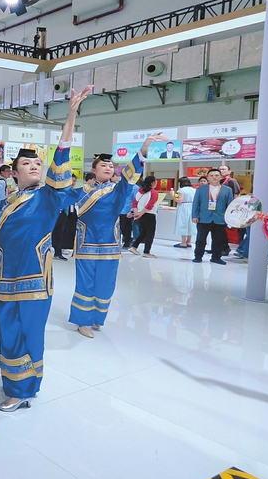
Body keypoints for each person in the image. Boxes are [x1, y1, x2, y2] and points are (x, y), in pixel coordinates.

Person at [0, 85, 90, 412]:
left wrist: (71, 114)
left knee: (31, 336)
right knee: (9, 336)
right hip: (4, 281)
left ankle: (25, 389)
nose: (35, 166)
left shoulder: (48, 196)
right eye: (27, 163)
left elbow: (61, 157)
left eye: (38, 162)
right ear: (14, 172)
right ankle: (15, 385)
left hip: (36, 281)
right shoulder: (7, 202)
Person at [68, 139, 164, 339]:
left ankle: (97, 316)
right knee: (85, 283)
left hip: (110, 244)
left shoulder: (118, 189)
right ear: (93, 170)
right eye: (103, 165)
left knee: (106, 284)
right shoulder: (82, 192)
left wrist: (144, 148)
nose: (108, 168)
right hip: (85, 243)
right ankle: (83, 321)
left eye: (111, 166)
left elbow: (129, 175)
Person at [192, 168, 233, 265]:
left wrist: (229, 218)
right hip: (203, 218)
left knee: (218, 240)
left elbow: (230, 205)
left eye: (216, 175)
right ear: (208, 178)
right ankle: (198, 256)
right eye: (212, 176)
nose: (214, 177)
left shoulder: (227, 190)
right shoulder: (200, 189)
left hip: (220, 218)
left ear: (221, 177)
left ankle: (216, 257)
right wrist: (194, 215)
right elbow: (196, 203)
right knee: (201, 239)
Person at [128, 176, 160, 258]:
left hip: (140, 214)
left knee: (143, 233)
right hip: (149, 214)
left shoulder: (140, 192)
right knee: (150, 234)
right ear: (153, 183)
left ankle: (134, 246)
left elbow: (134, 203)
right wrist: (140, 213)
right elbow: (149, 206)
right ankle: (146, 251)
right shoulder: (154, 193)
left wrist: (137, 213)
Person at [173, 177, 197, 249]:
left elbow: (180, 200)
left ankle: (183, 242)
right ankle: (188, 242)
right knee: (191, 224)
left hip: (184, 207)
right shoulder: (194, 190)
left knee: (183, 223)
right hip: (192, 206)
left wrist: (172, 196)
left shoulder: (182, 190)